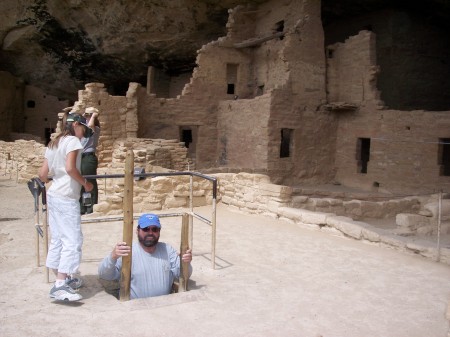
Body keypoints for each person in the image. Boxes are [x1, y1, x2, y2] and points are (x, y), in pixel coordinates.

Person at [38, 113, 94, 301]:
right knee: (73, 239)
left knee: (58, 238)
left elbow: (43, 174)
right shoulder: (72, 141)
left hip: (53, 194)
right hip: (66, 196)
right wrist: (85, 183)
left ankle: (62, 278)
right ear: (76, 124)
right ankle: (60, 285)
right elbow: (71, 168)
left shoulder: (54, 142)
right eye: (83, 130)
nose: (83, 135)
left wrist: (56, 179)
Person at [98, 213, 193, 299]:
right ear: (137, 231)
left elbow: (184, 275)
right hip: (135, 311)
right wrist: (113, 256)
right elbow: (105, 275)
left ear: (159, 231)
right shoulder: (128, 251)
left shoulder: (167, 250)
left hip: (164, 308)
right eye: (146, 229)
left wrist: (186, 262)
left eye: (154, 229)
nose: (150, 233)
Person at [80, 107, 100, 214]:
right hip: (81, 156)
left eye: (88, 115)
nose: (86, 117)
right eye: (85, 115)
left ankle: (91, 206)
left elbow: (91, 126)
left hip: (88, 156)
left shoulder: (95, 128)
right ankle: (82, 206)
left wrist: (93, 115)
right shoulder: (83, 128)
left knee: (90, 181)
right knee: (80, 181)